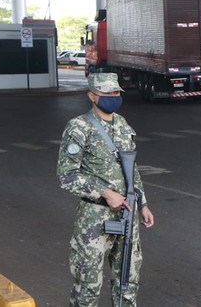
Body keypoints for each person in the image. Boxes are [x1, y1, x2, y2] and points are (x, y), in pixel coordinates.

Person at [57, 73, 155, 306]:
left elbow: (132, 170)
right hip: (94, 217)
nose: (113, 97)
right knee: (88, 284)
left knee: (127, 281)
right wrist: (104, 192)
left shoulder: (122, 124)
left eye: (116, 93)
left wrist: (142, 204)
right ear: (92, 96)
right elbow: (66, 176)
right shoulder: (79, 127)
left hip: (127, 212)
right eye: (107, 93)